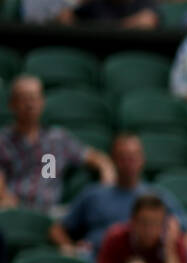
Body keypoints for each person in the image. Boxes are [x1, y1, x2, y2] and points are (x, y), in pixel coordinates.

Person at [52, 133, 187, 257]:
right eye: (123, 158)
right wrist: (69, 247)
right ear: (113, 160)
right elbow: (57, 229)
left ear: (142, 159)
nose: (128, 163)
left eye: (133, 157)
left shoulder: (155, 198)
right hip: (95, 262)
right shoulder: (93, 194)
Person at [0, 75, 113, 212]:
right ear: (12, 104)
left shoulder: (58, 138)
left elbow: (97, 159)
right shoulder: (3, 140)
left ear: (42, 102)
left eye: (34, 98)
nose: (29, 105)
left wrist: (107, 176)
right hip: (14, 210)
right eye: (24, 99)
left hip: (51, 212)